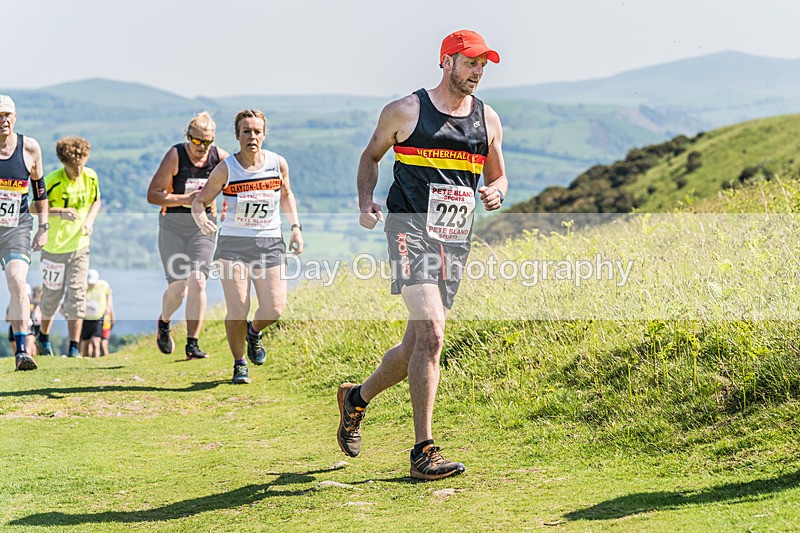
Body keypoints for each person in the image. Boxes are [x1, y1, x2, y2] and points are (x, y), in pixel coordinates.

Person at [337, 30, 508, 480]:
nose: (477, 72)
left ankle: (356, 398)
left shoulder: (488, 119)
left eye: (482, 65)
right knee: (433, 333)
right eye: (470, 63)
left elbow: (499, 176)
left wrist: (496, 191)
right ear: (446, 61)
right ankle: (423, 452)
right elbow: (371, 156)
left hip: (454, 240)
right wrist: (366, 202)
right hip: (408, 230)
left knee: (415, 345)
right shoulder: (406, 111)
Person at [192, 109, 303, 384]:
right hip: (234, 244)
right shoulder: (226, 168)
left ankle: (253, 332)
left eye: (256, 131)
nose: (252, 136)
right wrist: (202, 220)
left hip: (270, 241)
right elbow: (199, 202)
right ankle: (239, 362)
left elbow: (286, 195)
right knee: (238, 308)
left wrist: (295, 228)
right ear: (237, 135)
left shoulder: (277, 163)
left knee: (275, 309)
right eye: (246, 132)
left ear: (264, 134)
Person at [147, 112, 229, 360]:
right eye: (197, 141)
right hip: (172, 227)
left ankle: (192, 343)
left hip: (202, 228)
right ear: (188, 137)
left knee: (198, 281)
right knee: (178, 290)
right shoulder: (176, 156)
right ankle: (164, 322)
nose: (202, 147)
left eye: (208, 141)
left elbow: (235, 187)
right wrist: (186, 200)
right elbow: (153, 195)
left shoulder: (220, 158)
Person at [36, 136, 101, 358]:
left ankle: (74, 347)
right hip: (53, 249)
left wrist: (89, 222)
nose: (78, 171)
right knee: (51, 298)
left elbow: (96, 201)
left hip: (79, 247)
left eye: (81, 165)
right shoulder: (52, 181)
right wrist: (60, 212)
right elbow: (33, 208)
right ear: (64, 163)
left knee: (77, 297)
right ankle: (44, 336)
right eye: (74, 167)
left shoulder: (90, 176)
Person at [0, 94, 49, 371]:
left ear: (15, 117)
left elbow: (40, 192)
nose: (3, 120)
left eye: (7, 115)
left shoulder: (29, 148)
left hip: (16, 228)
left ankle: (21, 351)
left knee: (18, 281)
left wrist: (43, 227)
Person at [80, 269, 113, 357]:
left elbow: (109, 295)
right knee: (85, 343)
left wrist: (108, 307)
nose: (91, 285)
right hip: (86, 318)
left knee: (96, 341)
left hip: (99, 317)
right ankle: (85, 361)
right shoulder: (82, 286)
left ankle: (96, 360)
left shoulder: (104, 285)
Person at [6, 284, 38, 356]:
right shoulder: (33, 304)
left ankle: (24, 359)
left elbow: (7, 318)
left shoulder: (12, 305)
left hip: (15, 328)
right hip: (27, 327)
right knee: (25, 351)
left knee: (19, 352)